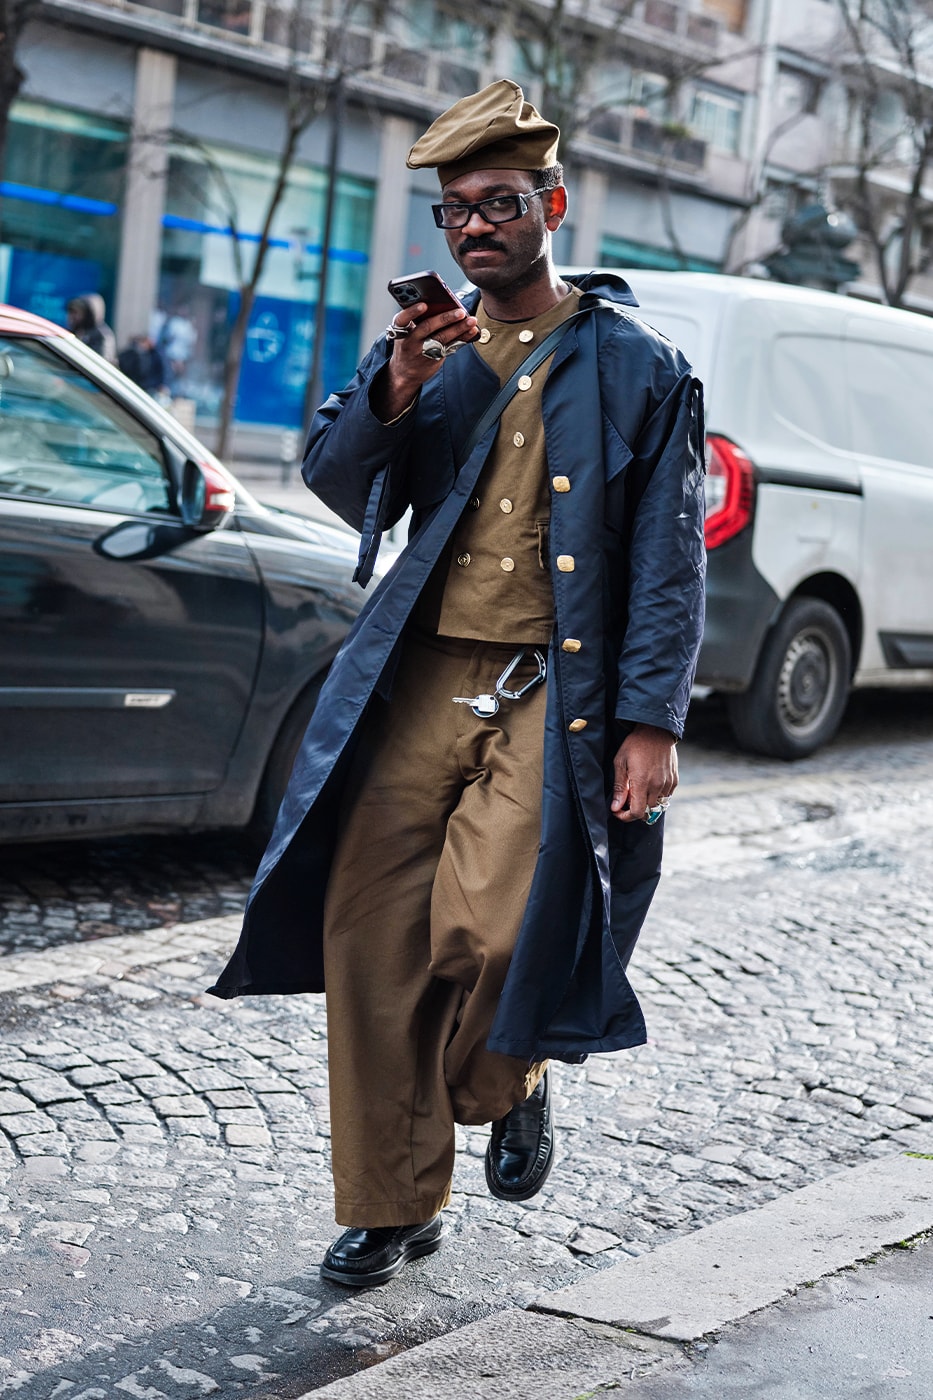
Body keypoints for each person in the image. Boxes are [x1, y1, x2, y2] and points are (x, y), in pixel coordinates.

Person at [210, 79, 706, 1289]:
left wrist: (651, 721)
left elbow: (669, 555)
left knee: (491, 926)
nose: (476, 226)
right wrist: (395, 385)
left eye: (499, 203)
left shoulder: (639, 366)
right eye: (456, 211)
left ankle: (510, 1073)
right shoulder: (431, 351)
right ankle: (394, 1202)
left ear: (552, 208)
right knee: (370, 931)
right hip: (421, 672)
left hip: (555, 688)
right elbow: (338, 478)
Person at [65, 294, 117, 364]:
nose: (72, 317)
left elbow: (100, 363)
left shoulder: (102, 336)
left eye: (76, 312)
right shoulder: (74, 332)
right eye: (71, 312)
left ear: (89, 314)